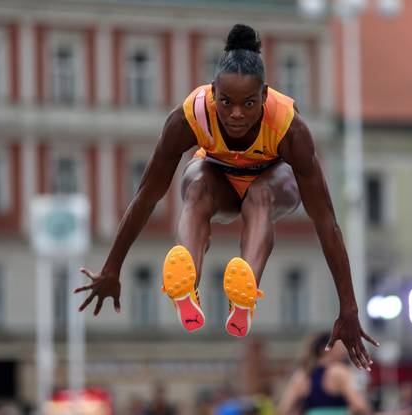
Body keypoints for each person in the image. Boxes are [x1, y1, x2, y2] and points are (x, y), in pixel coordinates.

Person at [73, 23, 377, 369]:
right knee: (197, 186)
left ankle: (245, 295)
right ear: (212, 92)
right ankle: (186, 284)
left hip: (274, 182)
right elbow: (146, 195)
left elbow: (326, 221)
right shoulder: (189, 117)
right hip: (219, 180)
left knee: (259, 196)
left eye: (248, 104)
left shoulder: (290, 129)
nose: (236, 114)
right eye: (226, 102)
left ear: (264, 96)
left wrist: (348, 306)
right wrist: (113, 267)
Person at [277, 332, 371, 415]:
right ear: (326, 349)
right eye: (339, 346)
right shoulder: (339, 371)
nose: (344, 350)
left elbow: (283, 409)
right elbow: (359, 405)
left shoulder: (302, 374)